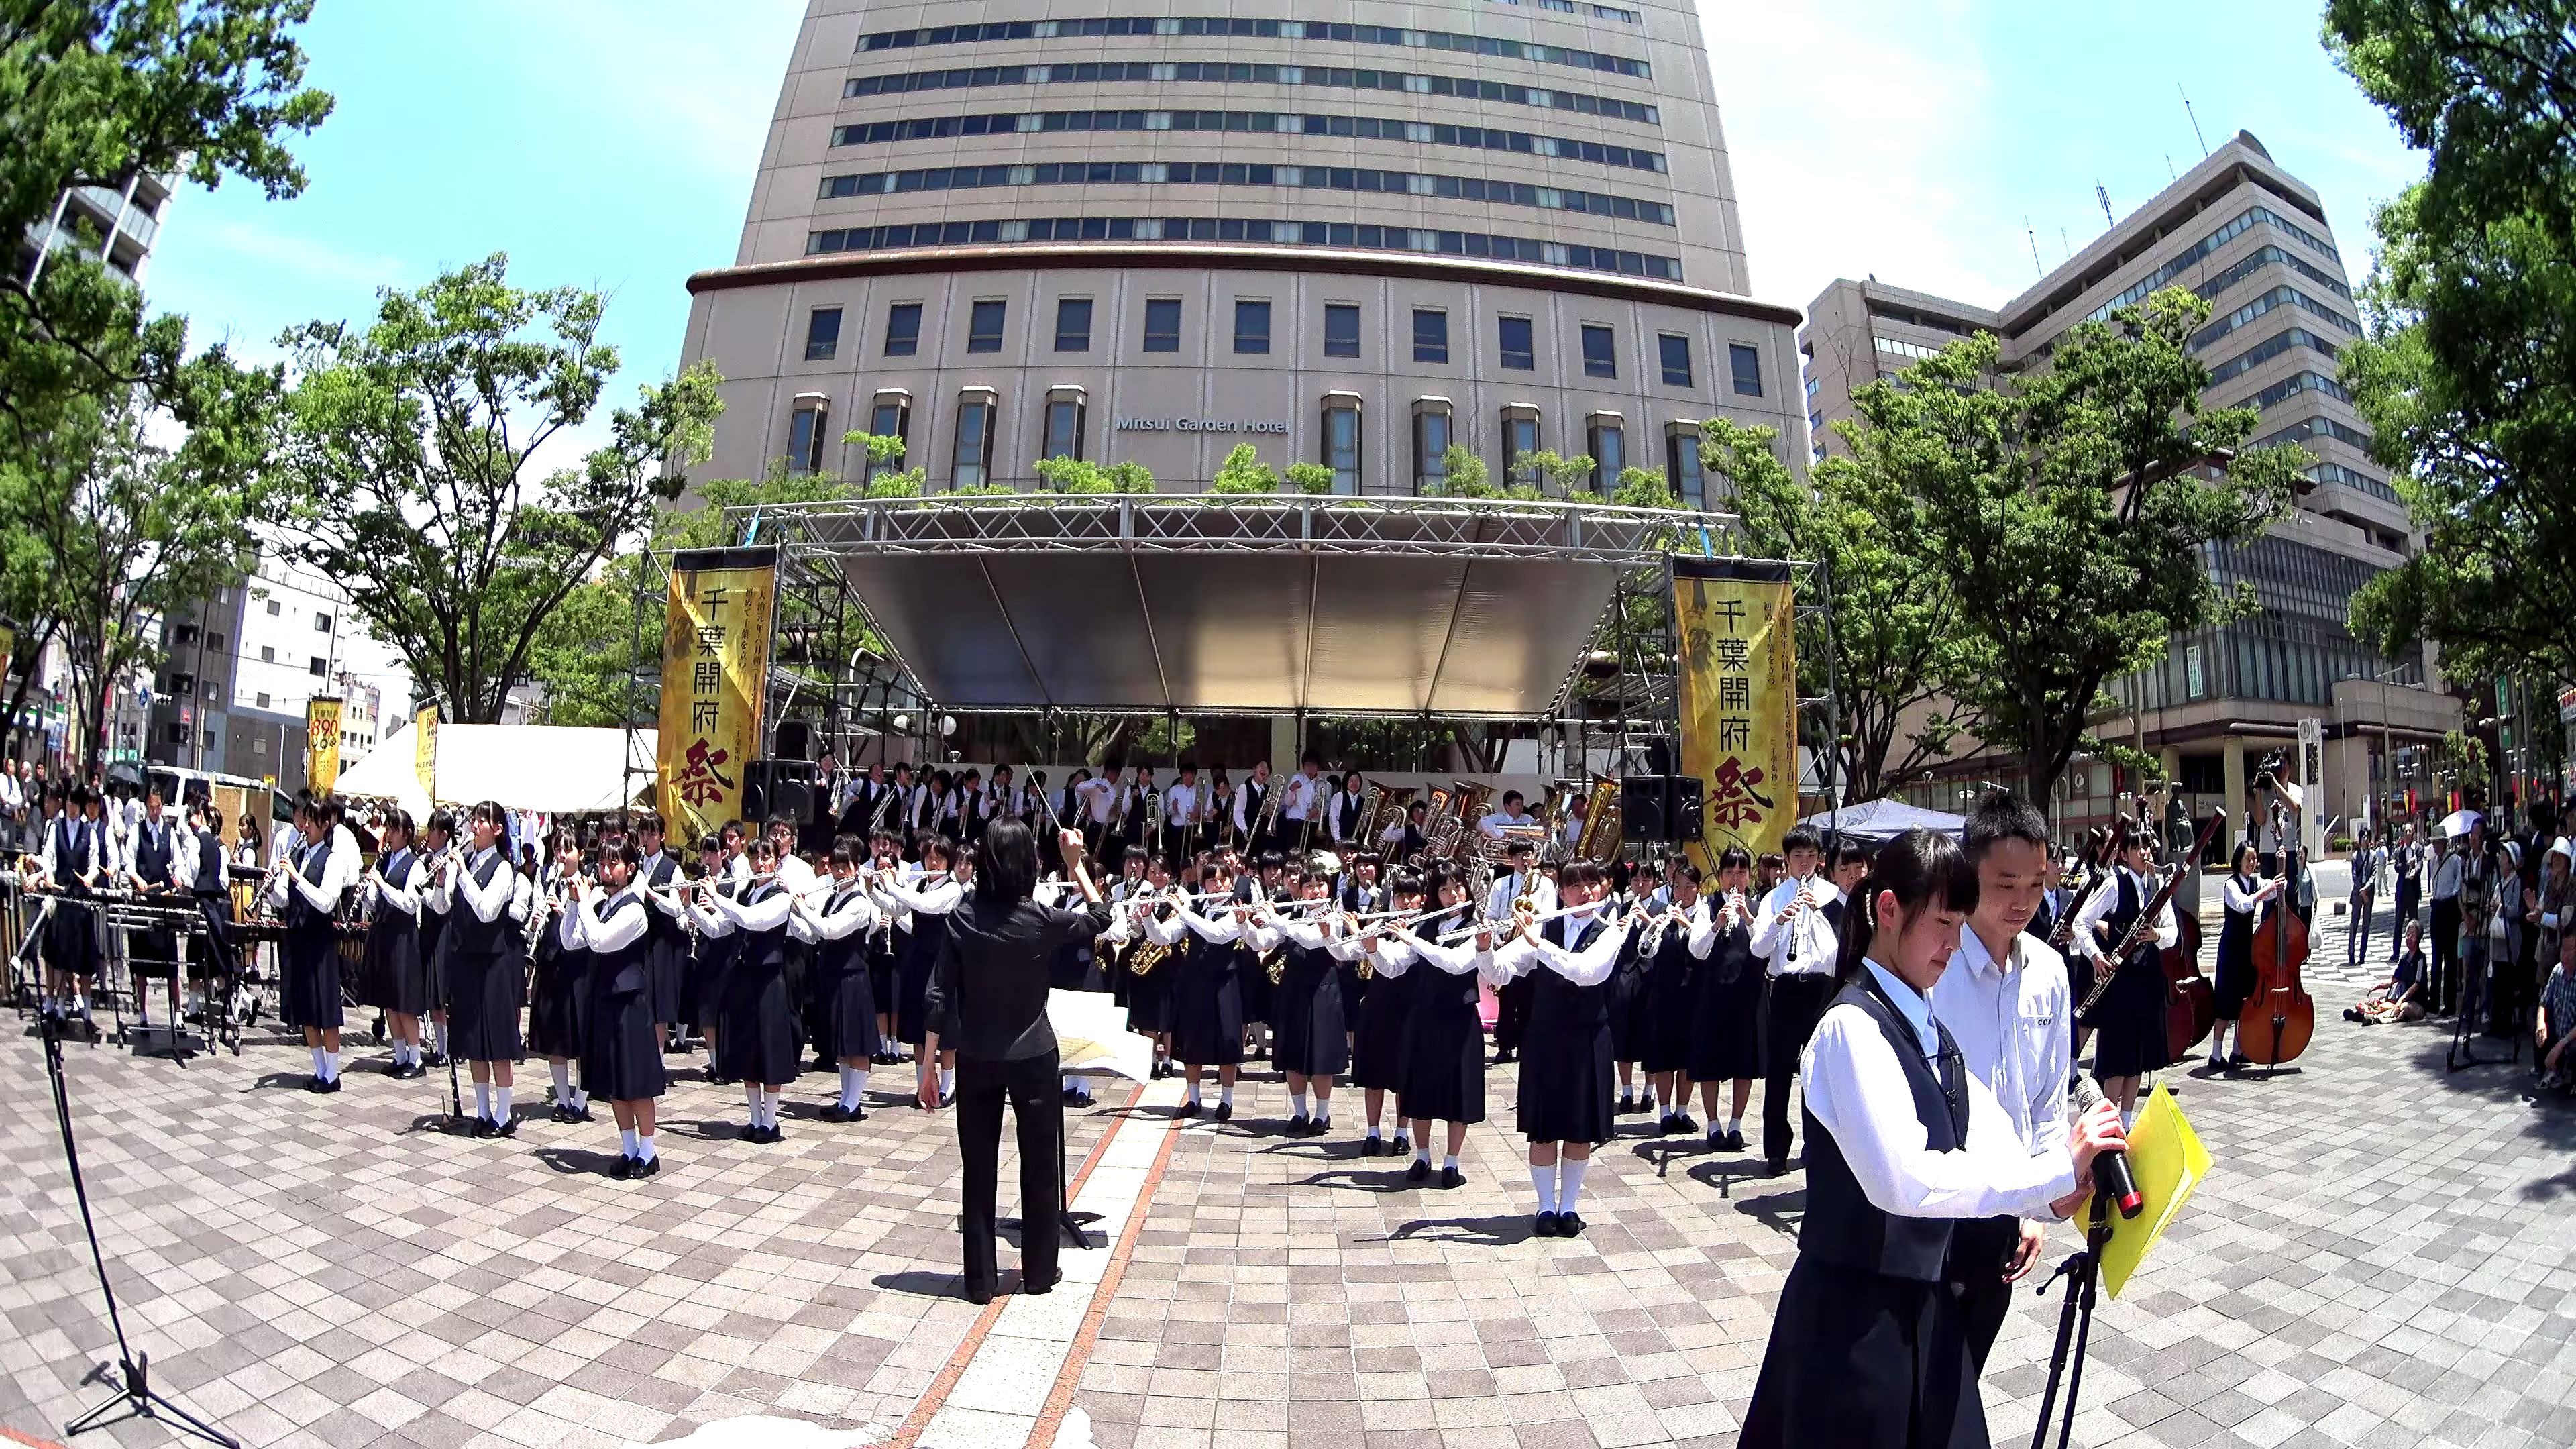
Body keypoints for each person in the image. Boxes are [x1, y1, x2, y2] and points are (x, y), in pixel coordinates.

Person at [1738, 828, 2125, 1449]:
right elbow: (1906, 1180)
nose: (1953, 944)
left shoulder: (1927, 1024)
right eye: (1943, 924)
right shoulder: (1849, 1030)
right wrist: (2051, 1175)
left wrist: (2058, 1185)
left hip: (1926, 1308)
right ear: (1888, 910)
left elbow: (1989, 1133)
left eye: (1959, 924)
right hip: (1850, 1329)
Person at [920, 822, 1110, 1305]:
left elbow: (939, 993)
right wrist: (1075, 865)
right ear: (1028, 862)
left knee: (978, 1168)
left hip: (978, 1054)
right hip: (1033, 1053)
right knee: (1041, 1165)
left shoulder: (963, 917)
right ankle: (1040, 1271)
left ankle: (980, 1280)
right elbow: (1100, 917)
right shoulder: (1039, 919)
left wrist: (927, 1066)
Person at [1927, 790, 2074, 1373]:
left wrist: (2033, 1206)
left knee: (1967, 1375)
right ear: (1970, 873)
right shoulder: (1932, 970)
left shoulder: (2050, 971)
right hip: (1934, 1217)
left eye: (2035, 884)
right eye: (2005, 884)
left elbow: (2046, 1103)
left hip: (2004, 1223)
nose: (2023, 902)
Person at [1494, 861, 1628, 1235]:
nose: (1584, 892)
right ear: (1562, 891)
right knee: (1543, 1129)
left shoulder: (1610, 932)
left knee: (1578, 1128)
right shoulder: (1545, 925)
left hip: (1587, 1038)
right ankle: (1545, 1207)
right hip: (1545, 1038)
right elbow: (1504, 971)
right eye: (1575, 885)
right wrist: (1487, 950)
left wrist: (1540, 946)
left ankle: (1569, 1206)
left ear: (1600, 888)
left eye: (1591, 884)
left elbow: (1587, 973)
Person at [569, 837, 665, 1177]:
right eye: (602, 864)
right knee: (616, 1081)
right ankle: (628, 1149)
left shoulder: (635, 910)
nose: (606, 871)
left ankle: (649, 1152)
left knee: (636, 1081)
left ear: (630, 870)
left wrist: (581, 903)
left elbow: (600, 941)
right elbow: (572, 941)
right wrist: (571, 904)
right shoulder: (601, 905)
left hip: (631, 1002)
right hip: (606, 999)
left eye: (614, 864)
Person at [1748, 826, 1841, 1173]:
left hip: (1821, 988)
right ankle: (1775, 1148)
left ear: (1820, 860)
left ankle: (1814, 1145)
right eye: (1797, 857)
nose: (1804, 864)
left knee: (1817, 1072)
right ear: (1786, 860)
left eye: (1811, 857)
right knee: (1778, 1071)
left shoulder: (1832, 896)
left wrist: (1818, 915)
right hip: (1785, 988)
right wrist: (1777, 921)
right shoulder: (1774, 898)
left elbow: (1837, 956)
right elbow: (1758, 948)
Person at [2072, 823, 2178, 1118]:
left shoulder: (2157, 886)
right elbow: (2082, 921)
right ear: (2123, 854)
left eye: (2146, 846)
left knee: (2138, 1059)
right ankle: (2108, 1119)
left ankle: (2127, 1120)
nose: (2144, 852)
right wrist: (2095, 955)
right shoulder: (2115, 883)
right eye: (2136, 848)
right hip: (2122, 984)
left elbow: (2173, 934)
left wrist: (2156, 935)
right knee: (2118, 1057)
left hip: (2148, 981)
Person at [438, 802, 525, 1135]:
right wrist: (441, 881)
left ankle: (504, 1115)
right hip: (467, 960)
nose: (474, 827)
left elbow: (488, 910)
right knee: (474, 1040)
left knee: (498, 1042)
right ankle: (483, 1111)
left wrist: (462, 873)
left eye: (482, 822)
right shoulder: (467, 862)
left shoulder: (504, 869)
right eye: (474, 821)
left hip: (495, 963)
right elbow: (443, 905)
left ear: (498, 829)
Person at [270, 798, 358, 1092]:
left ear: (324, 825)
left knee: (325, 1012)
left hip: (320, 944)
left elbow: (326, 901)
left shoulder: (333, 860)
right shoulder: (299, 855)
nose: (304, 827)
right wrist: (273, 889)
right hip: (298, 939)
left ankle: (333, 1074)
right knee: (307, 1009)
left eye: (311, 821)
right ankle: (320, 1069)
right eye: (303, 820)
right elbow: (285, 899)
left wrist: (296, 878)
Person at [1259, 871, 1352, 1134]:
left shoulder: (1334, 915)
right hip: (1293, 990)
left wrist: (1274, 919)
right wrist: (1247, 925)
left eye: (1320, 885)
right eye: (1309, 885)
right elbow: (1261, 941)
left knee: (1320, 1057)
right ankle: (1300, 1112)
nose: (1314, 890)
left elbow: (1312, 941)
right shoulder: (1293, 914)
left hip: (1323, 990)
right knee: (1292, 1055)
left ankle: (1323, 1114)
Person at [798, 843, 883, 1120]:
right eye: (834, 868)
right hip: (835, 976)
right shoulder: (832, 896)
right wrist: (797, 907)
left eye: (844, 868)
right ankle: (846, 1101)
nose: (838, 873)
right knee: (843, 1044)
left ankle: (853, 1103)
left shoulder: (859, 902)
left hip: (853, 978)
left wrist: (804, 909)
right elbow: (816, 927)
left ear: (856, 868)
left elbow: (831, 930)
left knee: (856, 1044)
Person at [1688, 847, 1762, 1151]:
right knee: (1711, 1061)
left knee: (1744, 1062)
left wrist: (1748, 919)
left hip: (1747, 993)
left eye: (1741, 873)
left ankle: (1736, 1125)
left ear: (1749, 876)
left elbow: (1764, 946)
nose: (1735, 879)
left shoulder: (1758, 905)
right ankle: (1713, 1125)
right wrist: (1717, 924)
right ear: (1719, 877)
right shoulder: (1707, 906)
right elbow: (1697, 949)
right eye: (1729, 873)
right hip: (1714, 992)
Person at [1638, 860, 1714, 1136]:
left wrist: (1688, 924)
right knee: (1664, 1055)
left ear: (1698, 888)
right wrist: (1653, 927)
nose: (1682, 892)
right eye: (1678, 886)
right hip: (1664, 993)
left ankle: (1683, 1110)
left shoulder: (1704, 914)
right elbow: (1646, 951)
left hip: (1692, 993)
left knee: (1686, 1055)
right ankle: (1665, 1111)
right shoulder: (1665, 915)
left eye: (1689, 887)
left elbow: (1704, 946)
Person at [526, 830, 594, 1124]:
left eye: (568, 849)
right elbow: (532, 917)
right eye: (558, 849)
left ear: (579, 852)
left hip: (578, 966)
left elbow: (589, 925)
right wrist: (537, 919)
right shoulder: (546, 878)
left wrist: (566, 907)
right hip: (551, 961)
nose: (562, 855)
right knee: (555, 1035)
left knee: (580, 1035)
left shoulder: (588, 882)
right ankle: (563, 1101)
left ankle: (581, 1101)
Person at [361, 811, 431, 1078]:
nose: (388, 835)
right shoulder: (385, 860)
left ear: (406, 833)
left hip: (403, 938)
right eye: (388, 829)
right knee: (389, 1000)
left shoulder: (415, 865)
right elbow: (375, 901)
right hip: (384, 935)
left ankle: (416, 1059)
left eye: (393, 829)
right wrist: (369, 892)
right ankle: (400, 1055)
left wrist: (383, 886)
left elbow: (410, 904)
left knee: (404, 1002)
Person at [2206, 844, 2281, 1073]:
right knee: (2225, 1003)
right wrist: (2264, 893)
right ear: (2238, 860)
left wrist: (2281, 874)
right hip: (2231, 950)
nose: (2252, 863)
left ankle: (2238, 1050)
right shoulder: (2231, 884)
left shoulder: (2254, 882)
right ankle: (2215, 1054)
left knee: (2246, 1001)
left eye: (2255, 859)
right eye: (2248, 858)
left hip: (2248, 950)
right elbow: (2242, 905)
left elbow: (2275, 889)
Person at [1485, 839, 1556, 1065]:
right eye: (1520, 855)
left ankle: (1527, 1044)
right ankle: (1505, 1045)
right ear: (1511, 858)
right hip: (1506, 944)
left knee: (1528, 999)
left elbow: (1549, 916)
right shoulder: (1500, 884)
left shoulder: (1544, 885)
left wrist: (1528, 933)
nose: (1525, 859)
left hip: (1530, 948)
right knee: (1506, 999)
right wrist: (1498, 936)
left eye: (1529, 854)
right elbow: (1491, 915)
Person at [2347, 919, 2426, 1025]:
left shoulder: (2421, 958)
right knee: (2382, 1002)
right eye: (2408, 934)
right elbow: (2395, 981)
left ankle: (2375, 1018)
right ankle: (2365, 1015)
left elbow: (2416, 985)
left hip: (2415, 1002)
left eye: (2412, 935)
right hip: (2399, 998)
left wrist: (2401, 1000)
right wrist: (2378, 986)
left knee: (2404, 1007)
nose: (2409, 938)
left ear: (2419, 938)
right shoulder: (2404, 958)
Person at [2536, 927, 2576, 1093]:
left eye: (2570, 949)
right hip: (2558, 1033)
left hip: (2571, 1038)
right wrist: (2540, 1025)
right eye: (2563, 949)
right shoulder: (2557, 971)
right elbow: (2543, 1003)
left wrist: (2561, 1044)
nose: (2564, 955)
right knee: (2540, 1030)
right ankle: (2550, 1070)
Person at [2428, 828, 2463, 1014]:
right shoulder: (2433, 862)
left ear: (2445, 842)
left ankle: (2449, 1004)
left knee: (2450, 958)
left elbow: (2458, 885)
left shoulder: (2455, 860)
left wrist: (2450, 898)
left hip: (2449, 908)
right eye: (2434, 843)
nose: (2436, 846)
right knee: (2436, 957)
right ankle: (2434, 1001)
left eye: (2438, 842)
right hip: (2436, 907)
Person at [2347, 826, 2382, 968]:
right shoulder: (2355, 856)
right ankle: (2351, 954)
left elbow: (2374, 874)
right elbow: (2354, 875)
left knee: (2366, 924)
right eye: (2363, 837)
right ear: (2360, 839)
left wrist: (2366, 888)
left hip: (2368, 892)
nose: (2366, 840)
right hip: (2358, 892)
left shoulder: (2373, 856)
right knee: (2354, 923)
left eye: (2368, 837)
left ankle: (2362, 955)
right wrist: (2360, 889)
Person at [2390, 822, 2423, 963]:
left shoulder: (2419, 849)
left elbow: (2421, 863)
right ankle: (2395, 953)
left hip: (2413, 890)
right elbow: (2397, 867)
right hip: (2402, 890)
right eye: (2406, 832)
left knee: (2414, 922)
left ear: (2413, 833)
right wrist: (2407, 866)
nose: (2408, 834)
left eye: (2410, 831)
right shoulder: (2399, 851)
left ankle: (2415, 951)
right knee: (2398, 923)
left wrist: (2415, 869)